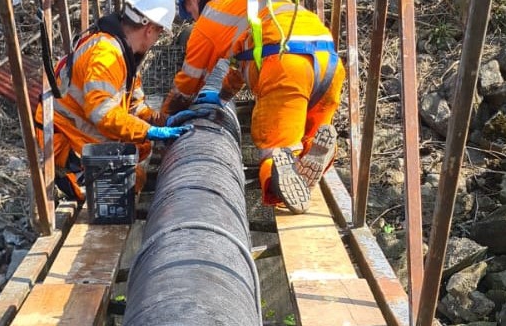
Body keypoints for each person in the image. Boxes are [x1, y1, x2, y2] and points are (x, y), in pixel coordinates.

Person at [162, 0, 345, 214]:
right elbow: (244, 63)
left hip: (288, 67)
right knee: (307, 142)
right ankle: (315, 151)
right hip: (329, 64)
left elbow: (187, 84)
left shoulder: (210, 19)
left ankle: (279, 180)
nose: (192, 18)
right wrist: (222, 96)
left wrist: (165, 116)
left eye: (189, 11)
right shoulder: (249, 8)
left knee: (275, 149)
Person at [35, 0, 191, 201]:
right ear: (150, 29)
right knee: (128, 185)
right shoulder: (106, 55)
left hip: (84, 132)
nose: (156, 39)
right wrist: (148, 131)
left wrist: (162, 120)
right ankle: (61, 178)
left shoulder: (124, 53)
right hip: (67, 142)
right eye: (160, 33)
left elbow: (135, 106)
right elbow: (102, 111)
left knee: (142, 148)